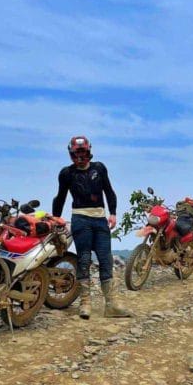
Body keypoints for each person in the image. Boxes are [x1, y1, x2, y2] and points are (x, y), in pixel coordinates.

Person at [52, 135, 133, 319]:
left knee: (106, 259)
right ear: (71, 154)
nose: (80, 159)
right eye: (76, 155)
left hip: (100, 218)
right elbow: (60, 197)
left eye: (83, 154)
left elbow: (109, 191)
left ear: (89, 152)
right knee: (84, 259)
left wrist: (113, 213)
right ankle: (85, 303)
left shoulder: (99, 168)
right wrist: (55, 218)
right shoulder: (67, 174)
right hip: (80, 218)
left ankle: (112, 304)